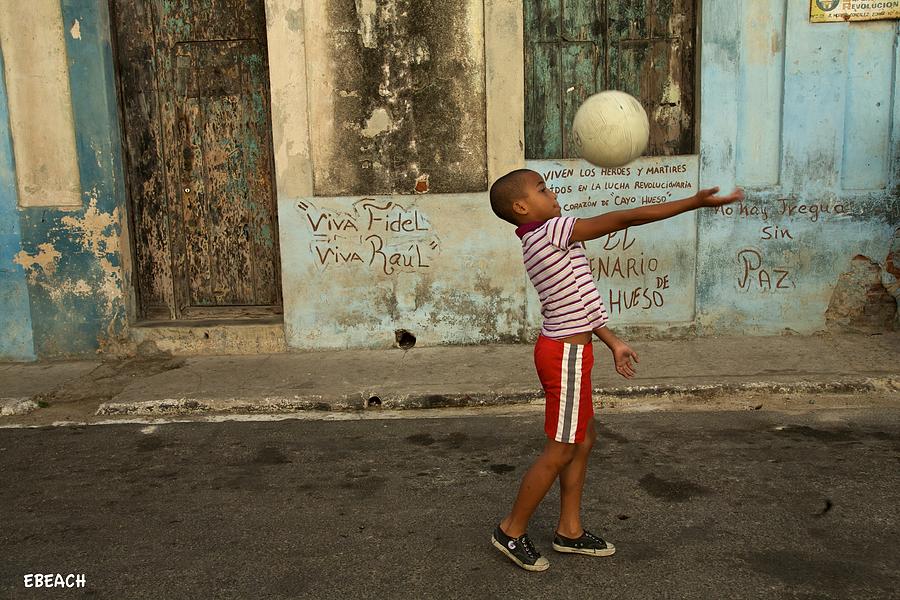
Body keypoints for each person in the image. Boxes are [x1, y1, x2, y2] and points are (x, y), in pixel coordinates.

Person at [488, 168, 744, 572]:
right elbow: (625, 218)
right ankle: (510, 529)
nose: (552, 194)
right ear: (522, 207)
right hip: (563, 357)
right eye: (542, 189)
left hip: (572, 350)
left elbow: (575, 301)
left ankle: (569, 531)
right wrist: (692, 203)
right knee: (561, 449)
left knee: (583, 438)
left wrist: (612, 340)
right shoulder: (550, 232)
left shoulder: (548, 238)